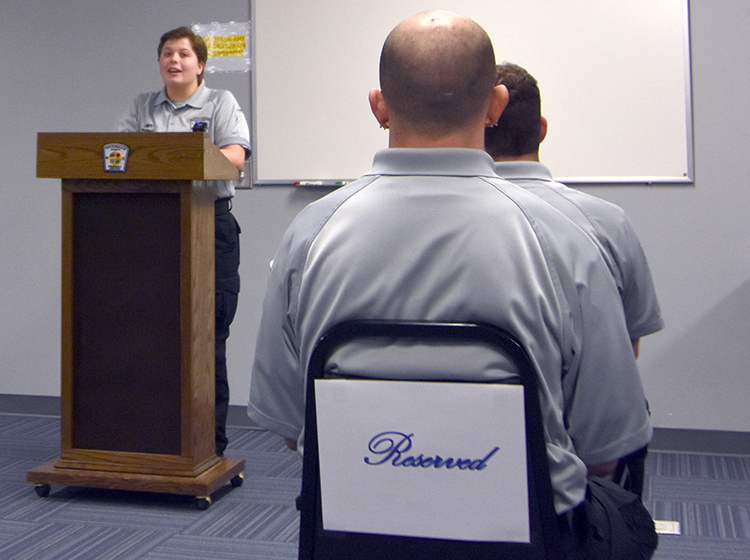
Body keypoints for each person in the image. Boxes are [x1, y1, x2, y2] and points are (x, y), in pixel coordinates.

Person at [248, 10, 656, 558]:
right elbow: (606, 449)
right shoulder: (563, 239)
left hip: (354, 534)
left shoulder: (309, 234)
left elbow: (291, 428)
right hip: (527, 542)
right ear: (495, 105)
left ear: (379, 105)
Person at [485, 62, 665, 497]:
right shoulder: (605, 223)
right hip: (566, 473)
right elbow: (626, 348)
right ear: (542, 129)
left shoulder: (438, 226)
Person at [115, 26, 251, 457]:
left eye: (183, 55)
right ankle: (153, 438)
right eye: (167, 54)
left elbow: (233, 157)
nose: (174, 61)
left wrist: (180, 158)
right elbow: (115, 156)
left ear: (201, 64)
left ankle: (210, 443)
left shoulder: (220, 102)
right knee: (150, 334)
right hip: (151, 230)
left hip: (208, 225)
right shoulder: (141, 107)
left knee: (206, 337)